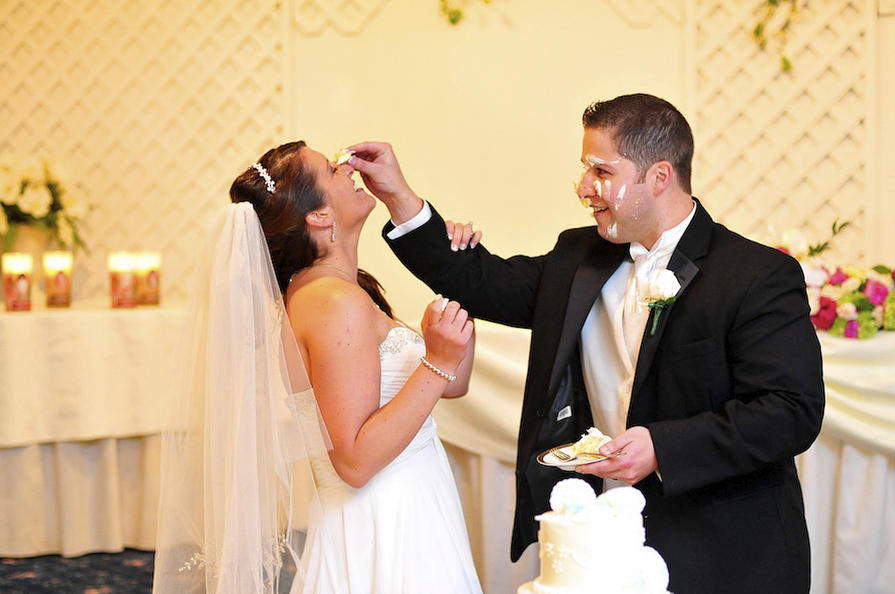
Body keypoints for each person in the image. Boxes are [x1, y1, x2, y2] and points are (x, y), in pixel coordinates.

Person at [345, 94, 825, 594]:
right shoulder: (578, 256)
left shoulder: (756, 274)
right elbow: (480, 281)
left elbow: (790, 410)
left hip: (728, 552)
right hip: (601, 546)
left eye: (601, 172)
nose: (583, 188)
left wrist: (663, 447)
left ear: (659, 177)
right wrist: (399, 197)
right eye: (584, 170)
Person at [153, 141, 483, 594]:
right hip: (383, 523)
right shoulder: (330, 301)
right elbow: (354, 461)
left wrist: (459, 279)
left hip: (414, 502)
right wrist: (436, 362)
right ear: (319, 216)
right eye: (331, 168)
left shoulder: (343, 290)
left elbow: (453, 384)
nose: (347, 167)